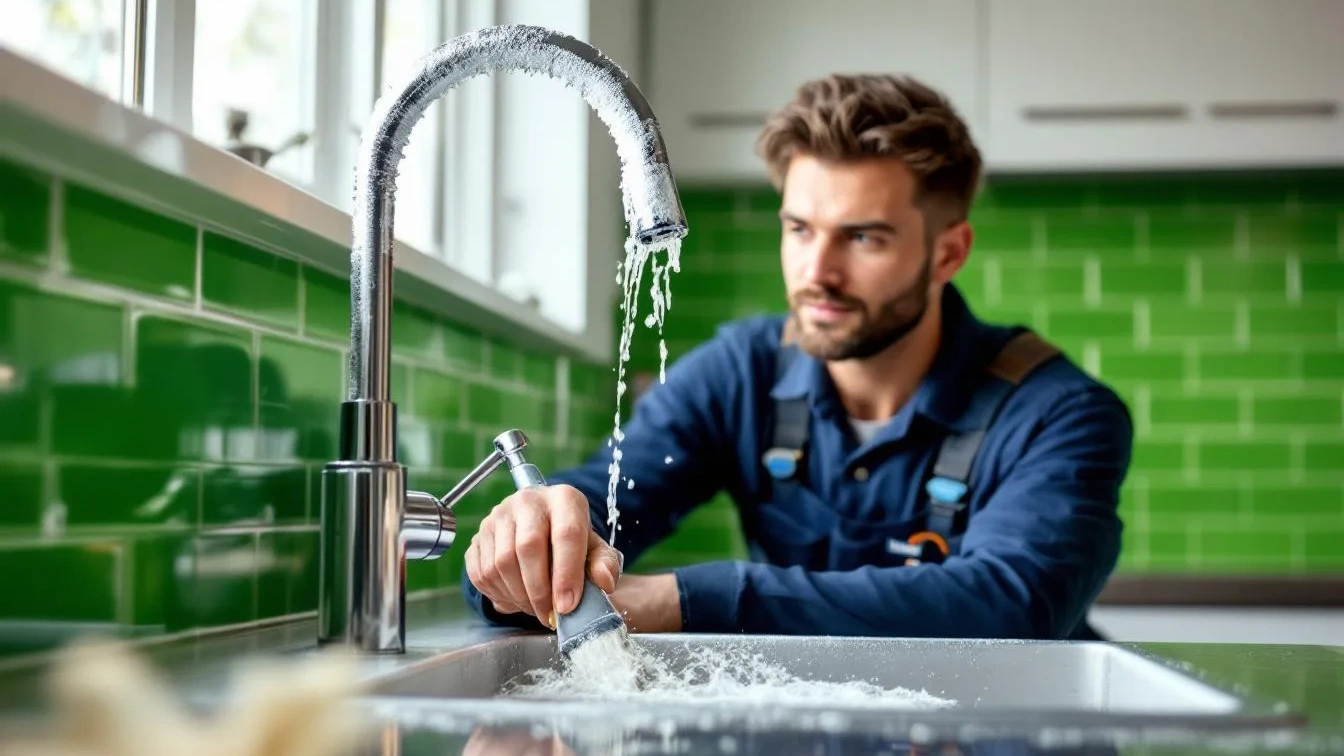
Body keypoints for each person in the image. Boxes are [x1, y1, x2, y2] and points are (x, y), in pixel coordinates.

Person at [462, 73, 1133, 641]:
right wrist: (526, 548)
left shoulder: (1059, 413)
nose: (817, 272)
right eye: (799, 229)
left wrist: (685, 599)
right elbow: (604, 502)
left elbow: (1012, 604)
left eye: (863, 238)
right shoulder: (738, 375)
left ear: (948, 253)